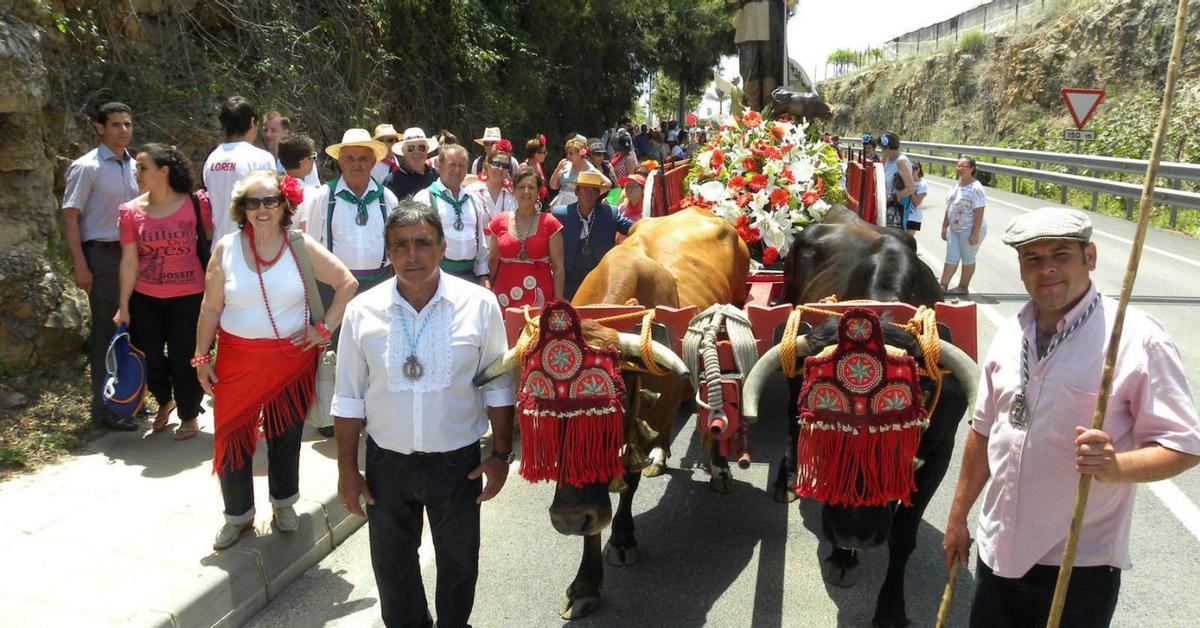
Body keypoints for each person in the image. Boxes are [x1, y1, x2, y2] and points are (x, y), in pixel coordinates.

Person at [942, 208, 1200, 628]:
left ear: (1090, 257)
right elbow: (985, 432)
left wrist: (1117, 466)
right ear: (1022, 269)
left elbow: (1184, 445)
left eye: (1061, 255)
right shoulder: (1011, 333)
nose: (1047, 270)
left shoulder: (1135, 338)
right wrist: (957, 519)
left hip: (1077, 565)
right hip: (997, 552)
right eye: (1033, 259)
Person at [333, 200, 515, 628]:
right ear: (388, 251)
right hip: (386, 464)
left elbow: (499, 385)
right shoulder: (362, 310)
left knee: (459, 564)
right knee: (393, 570)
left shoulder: (480, 304)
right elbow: (347, 398)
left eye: (422, 243)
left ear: (442, 246)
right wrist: (347, 469)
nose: (411, 256)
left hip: (457, 463)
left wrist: (502, 455)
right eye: (400, 246)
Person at [196, 170, 357, 550]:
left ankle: (284, 505)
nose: (263, 209)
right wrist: (202, 356)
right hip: (238, 362)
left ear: (284, 204)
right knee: (233, 435)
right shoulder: (227, 248)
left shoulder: (299, 244)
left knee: (285, 437)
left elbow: (346, 282)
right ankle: (238, 516)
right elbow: (210, 306)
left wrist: (324, 328)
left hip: (290, 360)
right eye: (254, 202)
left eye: (271, 200)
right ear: (242, 209)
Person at [115, 143, 212, 440]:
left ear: (164, 171)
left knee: (186, 356)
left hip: (190, 295)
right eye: (137, 168)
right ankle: (164, 399)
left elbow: (210, 247)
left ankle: (188, 413)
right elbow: (129, 260)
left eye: (143, 167)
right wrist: (124, 305)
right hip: (146, 298)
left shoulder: (196, 204)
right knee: (150, 357)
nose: (138, 173)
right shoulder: (130, 211)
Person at [62, 101, 140, 431]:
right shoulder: (87, 167)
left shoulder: (136, 166)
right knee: (107, 333)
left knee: (134, 330)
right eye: (115, 125)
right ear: (100, 128)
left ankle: (128, 398)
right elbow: (70, 216)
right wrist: (80, 265)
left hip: (132, 255)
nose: (123, 130)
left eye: (127, 124)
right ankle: (104, 408)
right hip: (102, 256)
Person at [302, 128, 400, 300]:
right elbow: (310, 249)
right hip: (334, 287)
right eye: (350, 158)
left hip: (379, 286)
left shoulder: (387, 197)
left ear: (373, 162)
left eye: (363, 159)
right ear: (340, 161)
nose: (357, 165)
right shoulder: (322, 197)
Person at [203, 96, 277, 246]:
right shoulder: (261, 158)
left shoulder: (211, 160)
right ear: (252, 122)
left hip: (220, 247)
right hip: (252, 248)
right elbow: (272, 204)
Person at [488, 166, 564, 308]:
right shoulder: (499, 221)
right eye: (521, 187)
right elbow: (492, 262)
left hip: (540, 299)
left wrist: (558, 303)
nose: (526, 192)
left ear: (538, 192)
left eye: (531, 187)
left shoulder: (550, 223)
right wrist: (487, 295)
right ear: (513, 190)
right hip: (503, 297)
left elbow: (558, 267)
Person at [413, 145, 489, 284]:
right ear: (439, 166)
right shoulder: (424, 198)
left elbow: (481, 243)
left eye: (461, 166)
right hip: (436, 277)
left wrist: (483, 276)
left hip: (469, 277)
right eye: (452, 165)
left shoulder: (473, 199)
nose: (457, 170)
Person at [552, 170, 632, 299]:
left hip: (600, 279)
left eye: (594, 190)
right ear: (577, 192)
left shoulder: (610, 214)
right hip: (569, 281)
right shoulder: (560, 215)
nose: (589, 194)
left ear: (598, 194)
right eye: (585, 189)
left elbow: (633, 228)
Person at [940, 155, 987, 295]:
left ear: (972, 169)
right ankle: (943, 285)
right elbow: (949, 206)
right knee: (951, 257)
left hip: (969, 229)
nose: (960, 169)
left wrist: (975, 234)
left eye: (963, 166)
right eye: (958, 166)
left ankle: (963, 286)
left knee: (968, 259)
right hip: (954, 229)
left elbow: (979, 211)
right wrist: (944, 226)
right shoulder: (956, 184)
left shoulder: (976, 188)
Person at [383, 127, 440, 201]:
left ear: (427, 149)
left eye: (421, 147)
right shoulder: (391, 181)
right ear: (403, 151)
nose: (416, 152)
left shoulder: (438, 176)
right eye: (410, 148)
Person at [466, 148, 515, 236]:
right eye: (496, 164)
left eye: (505, 166)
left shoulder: (512, 195)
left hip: (504, 246)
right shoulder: (471, 192)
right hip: (478, 246)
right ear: (487, 165)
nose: (500, 168)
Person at [549, 137, 599, 207]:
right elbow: (553, 186)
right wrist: (558, 168)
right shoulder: (565, 164)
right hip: (561, 203)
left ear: (580, 154)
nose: (568, 156)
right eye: (567, 153)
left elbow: (607, 183)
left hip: (578, 204)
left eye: (571, 153)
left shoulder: (589, 169)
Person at [880, 131, 914, 230]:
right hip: (889, 205)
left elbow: (910, 188)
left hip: (898, 207)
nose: (881, 150)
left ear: (887, 147)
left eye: (882, 148)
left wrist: (893, 198)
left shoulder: (901, 161)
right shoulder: (888, 160)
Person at [522, 136, 548, 202]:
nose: (546, 154)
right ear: (536, 154)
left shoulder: (537, 164)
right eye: (544, 152)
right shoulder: (524, 167)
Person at [906, 162, 927, 236]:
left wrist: (910, 189)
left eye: (913, 170)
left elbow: (915, 203)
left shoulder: (922, 185)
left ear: (918, 170)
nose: (911, 173)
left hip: (914, 217)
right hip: (903, 215)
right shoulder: (904, 180)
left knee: (906, 241)